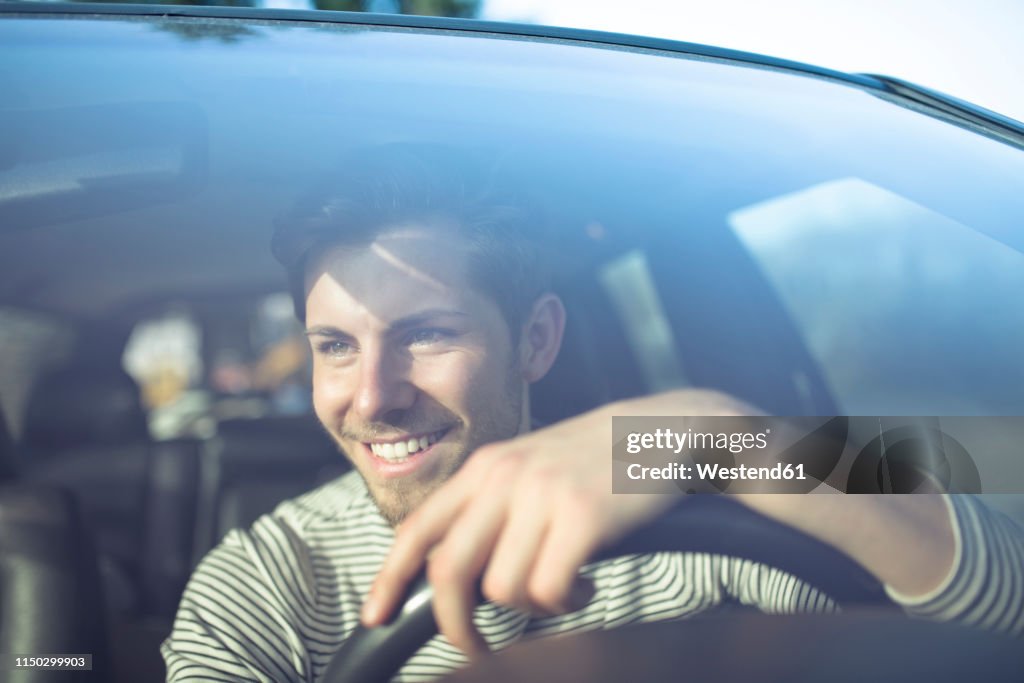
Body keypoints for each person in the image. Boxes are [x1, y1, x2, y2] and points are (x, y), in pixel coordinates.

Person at [162, 146, 1024, 682]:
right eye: (335, 346)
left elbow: (1002, 614)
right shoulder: (263, 581)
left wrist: (717, 437)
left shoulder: (696, 506)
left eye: (423, 335)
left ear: (535, 339)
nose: (373, 395)